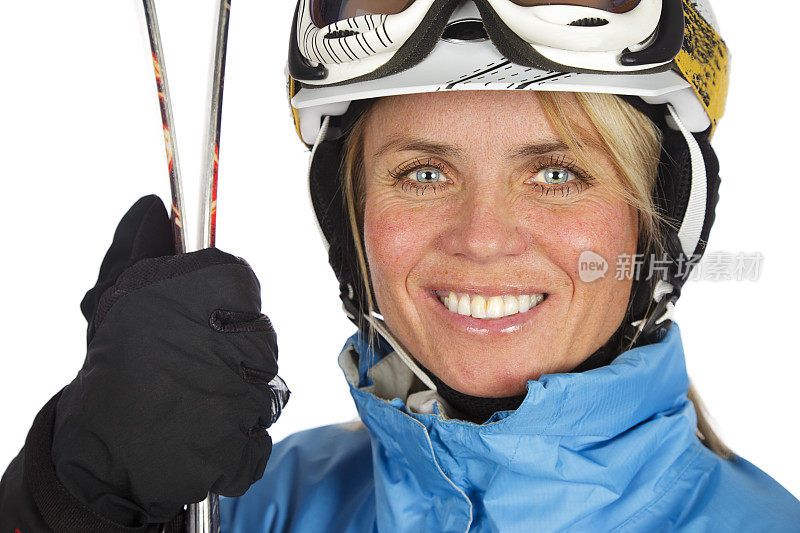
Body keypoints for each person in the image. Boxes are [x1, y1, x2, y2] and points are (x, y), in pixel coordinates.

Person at [1, 0, 799, 531]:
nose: (483, 239)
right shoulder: (250, 509)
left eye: (557, 173)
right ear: (351, 230)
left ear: (657, 225)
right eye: (424, 173)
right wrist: (70, 498)